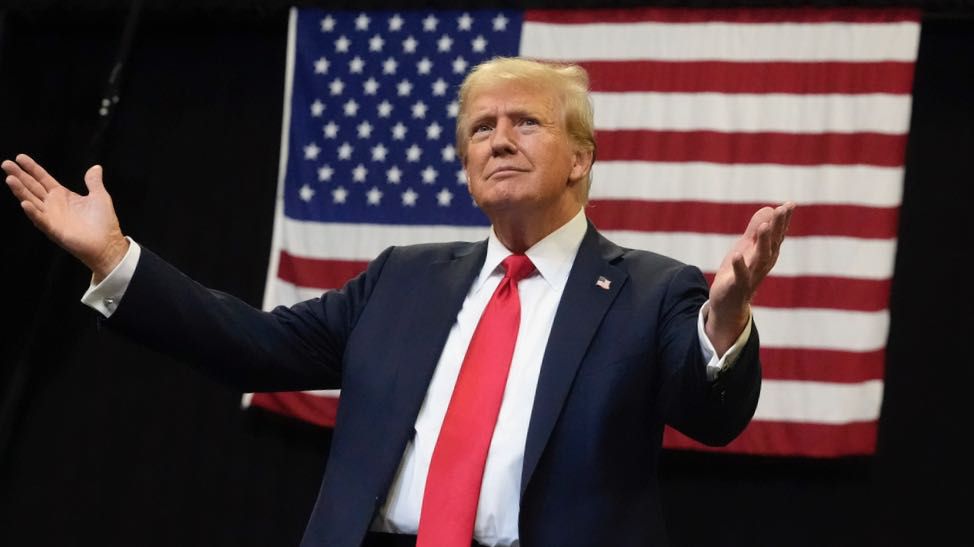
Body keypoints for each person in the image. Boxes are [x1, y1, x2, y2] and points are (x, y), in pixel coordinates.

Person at [3, 57, 795, 547]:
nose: (499, 139)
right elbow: (252, 344)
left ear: (581, 158)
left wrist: (724, 321)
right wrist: (113, 258)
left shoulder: (653, 289)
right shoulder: (403, 279)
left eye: (526, 121)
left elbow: (712, 417)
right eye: (481, 128)